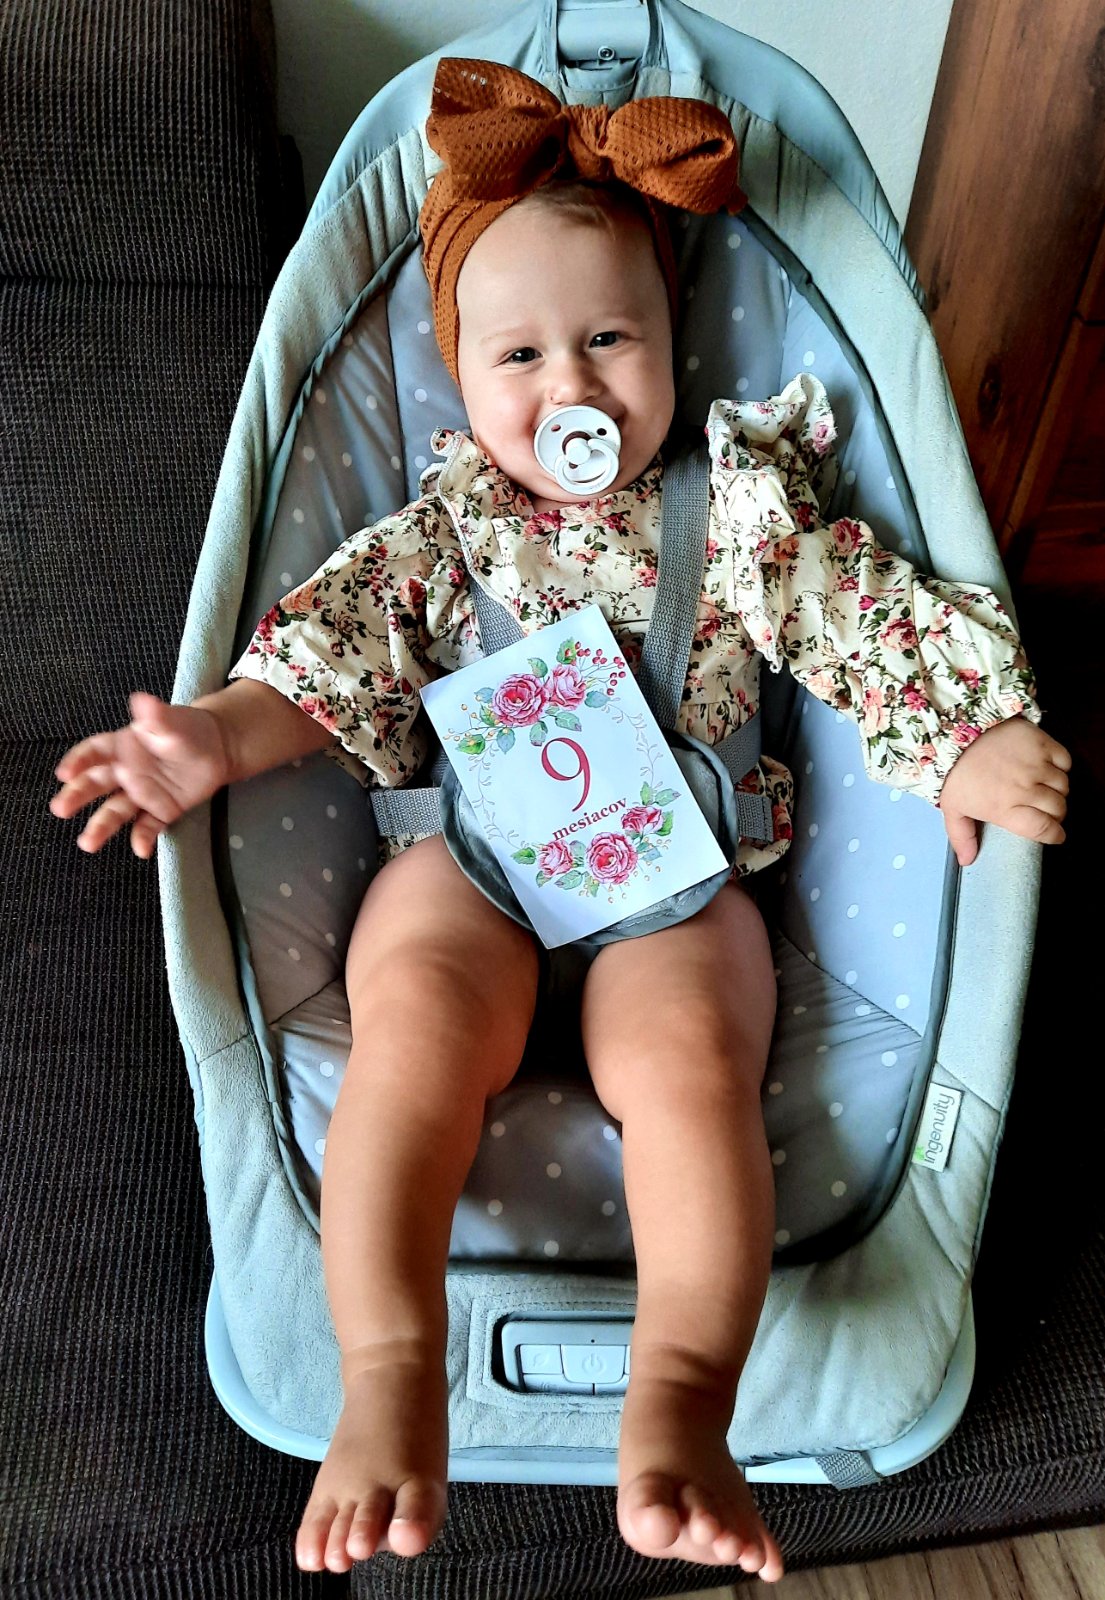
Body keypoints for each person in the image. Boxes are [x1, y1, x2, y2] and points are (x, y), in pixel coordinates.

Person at [49, 59, 1070, 1584]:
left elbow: (852, 613)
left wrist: (955, 738)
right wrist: (214, 736)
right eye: (518, 354)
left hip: (680, 882)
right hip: (471, 861)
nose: (570, 389)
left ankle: (684, 1403)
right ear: (456, 372)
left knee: (692, 1069)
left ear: (671, 335)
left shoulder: (736, 504)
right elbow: (327, 657)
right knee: (410, 1029)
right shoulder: (446, 526)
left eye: (608, 339)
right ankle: (389, 1372)